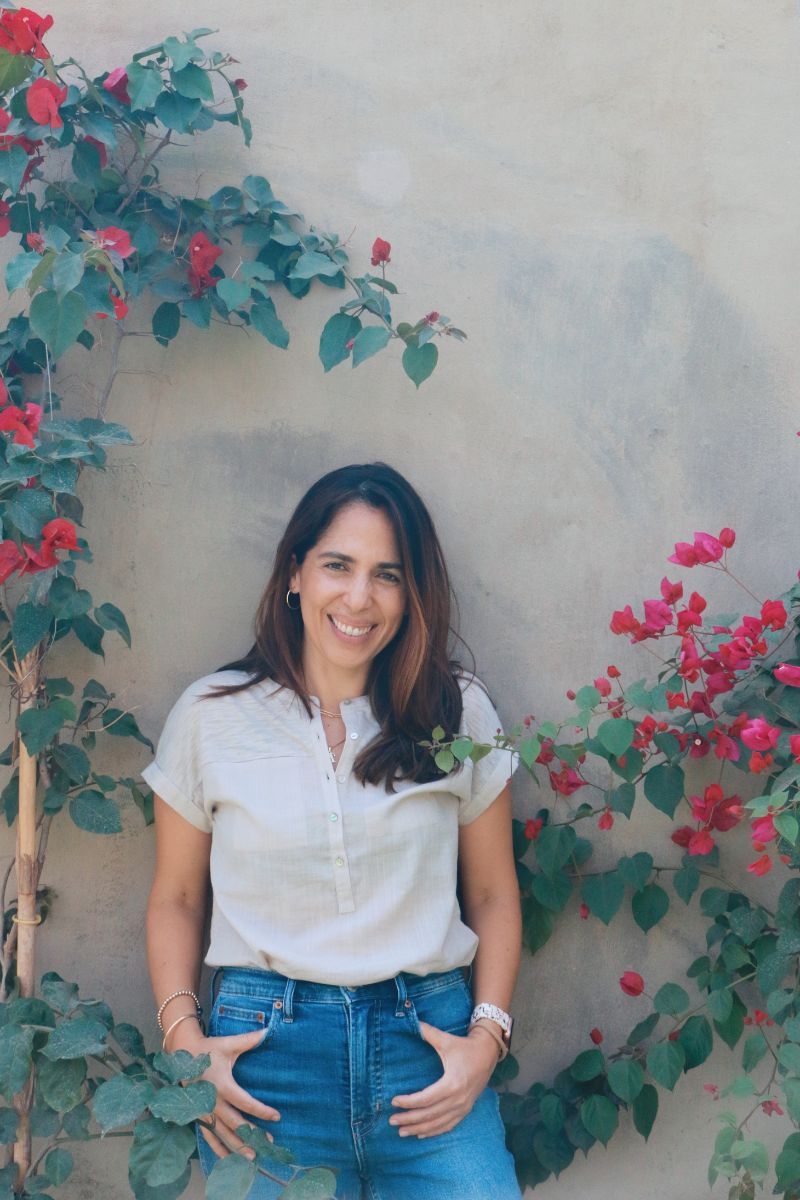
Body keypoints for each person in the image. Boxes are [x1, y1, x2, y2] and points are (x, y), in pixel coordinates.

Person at [142, 462, 522, 1200]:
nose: (358, 598)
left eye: (388, 575)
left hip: (429, 1053)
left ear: (413, 593)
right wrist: (186, 1045)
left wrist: (487, 1038)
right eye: (337, 566)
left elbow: (492, 893)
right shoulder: (211, 716)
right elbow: (178, 898)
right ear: (295, 572)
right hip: (265, 1064)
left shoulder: (457, 712)